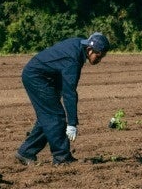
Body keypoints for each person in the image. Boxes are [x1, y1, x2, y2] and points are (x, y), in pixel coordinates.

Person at [15, 32, 109, 166]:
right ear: (89, 50)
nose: (100, 59)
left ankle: (26, 152)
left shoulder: (79, 46)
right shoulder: (73, 60)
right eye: (99, 55)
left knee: (47, 118)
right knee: (56, 117)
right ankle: (62, 157)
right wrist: (71, 123)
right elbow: (70, 92)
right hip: (37, 77)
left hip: (44, 76)